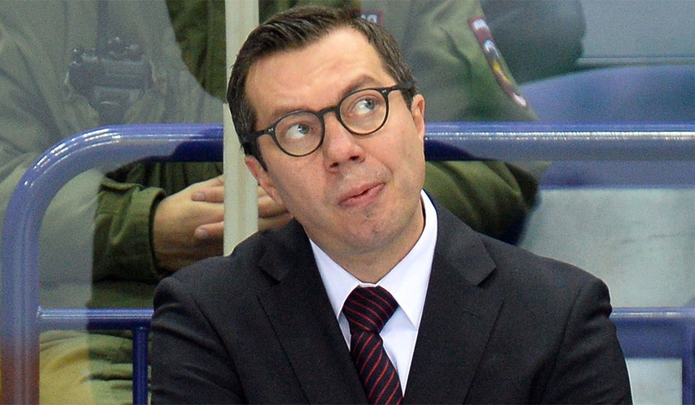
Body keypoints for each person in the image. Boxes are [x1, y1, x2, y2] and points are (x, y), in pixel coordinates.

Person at [0, 1, 537, 403]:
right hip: (97, 323)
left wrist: (336, 209)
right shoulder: (22, 13)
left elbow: (500, 157)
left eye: (364, 105)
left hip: (366, 310)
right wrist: (145, 228)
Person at [150, 5, 632, 404]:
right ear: (264, 177)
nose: (341, 150)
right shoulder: (208, 319)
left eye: (365, 104)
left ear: (418, 119)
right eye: (298, 129)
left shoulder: (559, 316)